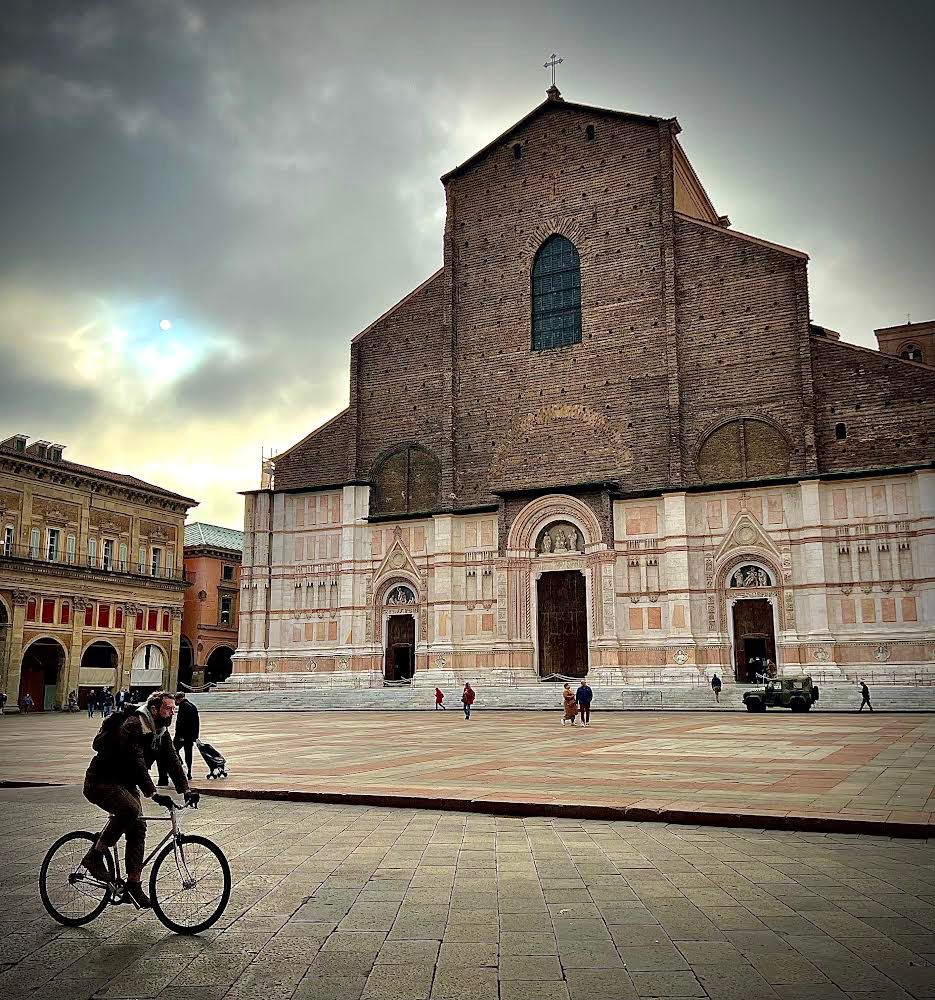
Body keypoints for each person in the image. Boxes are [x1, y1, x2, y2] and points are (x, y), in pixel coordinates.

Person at [81, 690, 196, 908]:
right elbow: (137, 762)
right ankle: (95, 856)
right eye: (168, 709)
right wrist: (153, 793)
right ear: (154, 710)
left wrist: (186, 789)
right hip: (102, 781)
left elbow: (172, 760)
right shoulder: (134, 725)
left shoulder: (160, 730)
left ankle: (133, 884)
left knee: (139, 827)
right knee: (131, 810)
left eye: (174, 709)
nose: (172, 713)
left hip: (125, 783)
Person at [173, 691, 199, 781]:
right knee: (189, 753)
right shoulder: (192, 706)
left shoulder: (183, 706)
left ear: (178, 699)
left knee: (173, 750)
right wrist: (195, 736)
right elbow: (196, 722)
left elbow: (181, 722)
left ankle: (180, 764)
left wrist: (179, 735)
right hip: (190, 736)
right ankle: (189, 772)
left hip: (182, 735)